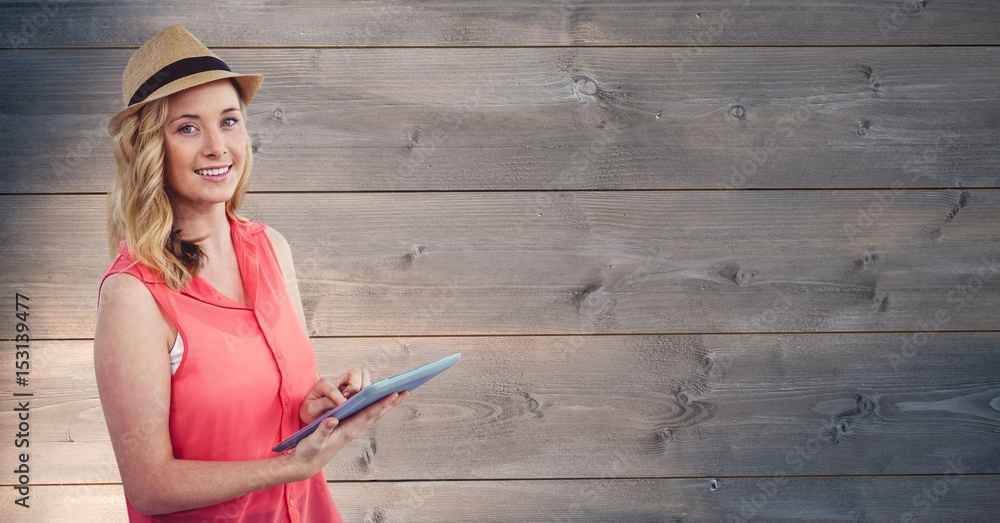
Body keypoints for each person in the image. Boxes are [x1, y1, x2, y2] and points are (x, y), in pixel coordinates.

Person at [93, 25, 405, 522]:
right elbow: (149, 486)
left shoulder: (271, 248)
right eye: (188, 127)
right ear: (150, 149)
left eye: (230, 121)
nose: (218, 147)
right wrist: (288, 468)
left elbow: (264, 406)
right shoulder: (135, 294)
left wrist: (314, 411)